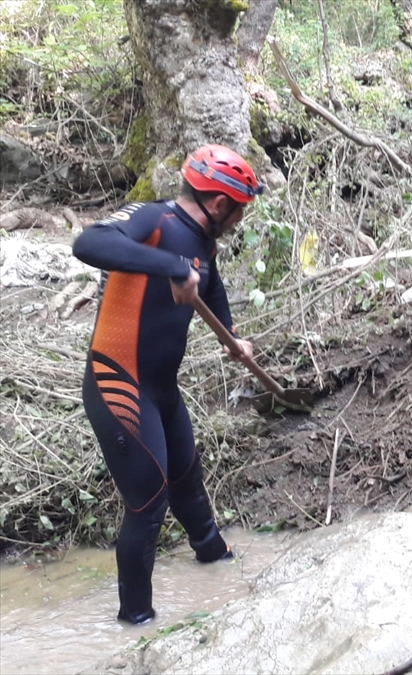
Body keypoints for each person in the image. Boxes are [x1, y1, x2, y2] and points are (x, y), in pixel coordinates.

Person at [72, 144, 263, 625]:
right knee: (149, 500)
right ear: (221, 205)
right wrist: (172, 267)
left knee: (185, 477)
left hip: (161, 389)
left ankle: (217, 563)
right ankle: (136, 625)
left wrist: (233, 336)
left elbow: (210, 282)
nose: (240, 218)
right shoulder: (152, 220)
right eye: (240, 210)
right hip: (117, 384)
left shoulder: (203, 242)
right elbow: (88, 244)